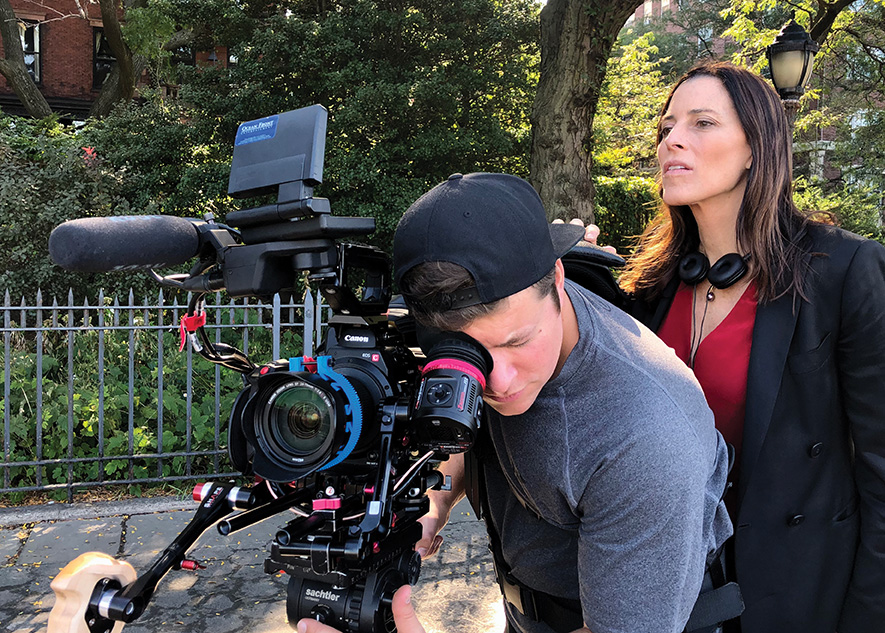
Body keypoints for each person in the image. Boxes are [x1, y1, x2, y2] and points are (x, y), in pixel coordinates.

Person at [301, 172, 734, 633]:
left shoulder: (643, 438)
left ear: (558, 278)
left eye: (518, 342)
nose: (499, 383)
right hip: (525, 610)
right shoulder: (514, 313)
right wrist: (435, 503)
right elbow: (467, 424)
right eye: (470, 361)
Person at [583, 60, 885, 633]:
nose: (672, 139)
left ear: (756, 148)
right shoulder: (653, 285)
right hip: (671, 587)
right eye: (667, 125)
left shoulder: (843, 271)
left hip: (795, 593)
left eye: (701, 123)